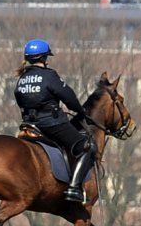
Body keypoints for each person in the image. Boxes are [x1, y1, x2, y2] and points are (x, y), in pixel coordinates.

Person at [14, 38, 95, 203]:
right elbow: (69, 97)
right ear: (44, 58)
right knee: (86, 147)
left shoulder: (21, 79)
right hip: (50, 124)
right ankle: (74, 188)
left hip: (29, 125)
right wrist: (80, 111)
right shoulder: (49, 76)